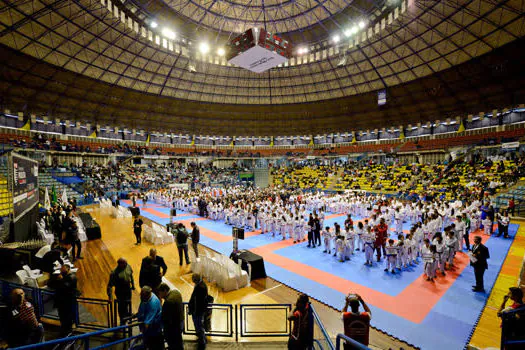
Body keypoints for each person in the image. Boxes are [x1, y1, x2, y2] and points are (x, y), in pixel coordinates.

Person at [107, 258, 136, 325]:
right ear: (120, 264)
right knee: (121, 306)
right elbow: (109, 285)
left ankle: (127, 314)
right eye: (124, 264)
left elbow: (131, 275)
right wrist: (110, 297)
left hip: (128, 289)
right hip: (120, 291)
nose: (126, 264)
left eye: (126, 263)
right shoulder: (114, 273)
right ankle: (122, 320)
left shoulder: (128, 266)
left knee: (127, 303)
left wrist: (133, 285)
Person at [54, 264, 79, 336]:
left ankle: (67, 331)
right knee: (63, 316)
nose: (61, 271)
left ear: (68, 269)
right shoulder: (65, 276)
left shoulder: (72, 277)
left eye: (62, 269)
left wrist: (61, 280)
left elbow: (66, 287)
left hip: (67, 301)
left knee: (67, 316)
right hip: (62, 301)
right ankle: (65, 329)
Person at [157, 283, 184, 350]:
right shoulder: (176, 292)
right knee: (179, 342)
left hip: (173, 327)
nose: (160, 296)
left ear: (165, 291)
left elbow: (165, 318)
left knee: (173, 344)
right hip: (180, 321)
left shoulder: (168, 302)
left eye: (160, 293)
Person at [188, 273, 208, 349]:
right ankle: (202, 339)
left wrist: (193, 310)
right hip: (198, 310)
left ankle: (202, 343)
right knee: (199, 325)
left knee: (199, 326)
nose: (192, 281)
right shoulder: (202, 284)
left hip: (197, 311)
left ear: (195, 280)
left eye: (193, 279)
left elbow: (197, 301)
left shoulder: (200, 287)